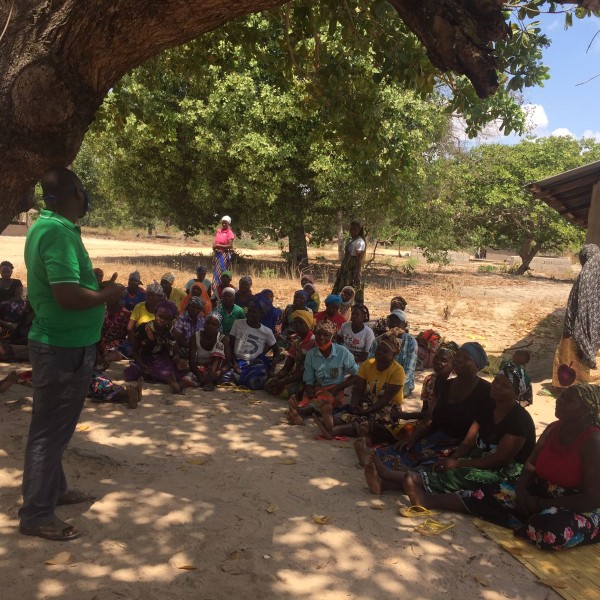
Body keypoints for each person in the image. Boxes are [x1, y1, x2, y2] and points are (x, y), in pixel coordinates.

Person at [19, 167, 125, 541]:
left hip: (65, 342)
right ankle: (36, 513)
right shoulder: (57, 233)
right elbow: (66, 295)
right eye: (82, 190)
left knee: (55, 429)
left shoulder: (47, 228)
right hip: (62, 347)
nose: (85, 196)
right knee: (48, 433)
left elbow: (66, 284)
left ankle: (55, 490)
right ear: (74, 193)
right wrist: (105, 296)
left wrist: (93, 287)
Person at [405, 384, 600, 552]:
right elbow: (531, 464)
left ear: (586, 410)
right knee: (492, 493)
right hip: (539, 493)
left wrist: (538, 503)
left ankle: (527, 518)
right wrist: (523, 491)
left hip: (576, 506)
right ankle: (429, 500)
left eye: (569, 401)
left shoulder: (592, 441)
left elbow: (591, 498)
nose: (560, 401)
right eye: (562, 397)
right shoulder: (553, 428)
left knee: (551, 527)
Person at [365, 364, 536, 496]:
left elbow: (500, 460)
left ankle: (392, 477)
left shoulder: (519, 421)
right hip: (480, 457)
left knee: (463, 475)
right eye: (496, 380)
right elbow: (469, 441)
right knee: (440, 464)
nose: (496, 386)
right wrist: (453, 458)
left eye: (504, 385)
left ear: (517, 393)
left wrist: (459, 463)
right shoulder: (488, 406)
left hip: (506, 472)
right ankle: (385, 484)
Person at [374, 342, 491, 470]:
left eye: (466, 359)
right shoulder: (446, 385)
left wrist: (454, 458)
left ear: (477, 367)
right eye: (458, 357)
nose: (459, 361)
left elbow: (472, 439)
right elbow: (429, 417)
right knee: (399, 449)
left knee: (429, 466)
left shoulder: (485, 391)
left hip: (460, 445)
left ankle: (394, 477)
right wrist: (412, 438)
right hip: (436, 436)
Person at [354, 344, 457, 466]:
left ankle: (372, 453)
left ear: (453, 365)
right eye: (436, 358)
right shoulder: (429, 380)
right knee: (399, 430)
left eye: (444, 360)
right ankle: (367, 441)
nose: (438, 362)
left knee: (410, 437)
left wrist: (405, 415)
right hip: (426, 422)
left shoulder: (454, 385)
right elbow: (425, 410)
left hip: (440, 426)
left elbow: (435, 415)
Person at [314, 332, 405, 440]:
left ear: (393, 355)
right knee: (351, 413)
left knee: (366, 420)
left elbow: (385, 400)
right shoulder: (368, 364)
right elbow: (358, 390)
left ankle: (333, 430)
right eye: (378, 349)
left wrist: (366, 411)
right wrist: (353, 405)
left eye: (385, 351)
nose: (380, 352)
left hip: (389, 407)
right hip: (369, 400)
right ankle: (329, 421)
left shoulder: (398, 371)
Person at [287, 320, 358, 425]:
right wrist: (310, 388)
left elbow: (357, 375)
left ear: (332, 337)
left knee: (324, 401)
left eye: (326, 334)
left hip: (335, 391)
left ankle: (298, 412)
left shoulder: (343, 353)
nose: (321, 337)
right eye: (318, 334)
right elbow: (309, 377)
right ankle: (300, 411)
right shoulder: (311, 354)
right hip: (318, 388)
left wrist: (338, 388)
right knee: (311, 399)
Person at [553, 244, 600, 388]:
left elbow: (577, 304)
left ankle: (568, 386)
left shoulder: (585, 274)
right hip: (597, 326)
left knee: (569, 356)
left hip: (576, 326)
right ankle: (593, 387)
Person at [124, 300, 188, 397]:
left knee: (179, 370)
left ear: (171, 320)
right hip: (144, 358)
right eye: (160, 316)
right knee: (132, 373)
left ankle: (162, 377)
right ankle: (164, 378)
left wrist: (176, 357)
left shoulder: (170, 330)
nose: (162, 320)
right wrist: (142, 365)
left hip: (162, 359)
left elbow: (174, 346)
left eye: (166, 319)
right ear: (155, 314)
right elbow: (135, 350)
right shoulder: (144, 328)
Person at [228, 300, 280, 390]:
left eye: (255, 313)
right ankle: (241, 377)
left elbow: (277, 351)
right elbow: (230, 346)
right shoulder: (238, 324)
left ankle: (243, 377)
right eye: (250, 312)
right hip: (237, 361)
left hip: (254, 362)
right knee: (223, 377)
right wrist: (234, 364)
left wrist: (272, 369)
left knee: (254, 380)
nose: (252, 315)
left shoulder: (266, 332)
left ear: (261, 315)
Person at [266, 310, 315, 400]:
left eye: (301, 322)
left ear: (309, 324)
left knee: (282, 392)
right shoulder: (297, 343)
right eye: (295, 322)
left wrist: (283, 382)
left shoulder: (314, 342)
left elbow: (305, 371)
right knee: (269, 383)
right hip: (296, 376)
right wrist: (277, 378)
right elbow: (287, 367)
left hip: (308, 379)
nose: (297, 325)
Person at [368, 310, 417, 397]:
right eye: (392, 321)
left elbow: (409, 371)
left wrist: (393, 383)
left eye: (398, 322)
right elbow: (370, 362)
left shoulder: (411, 342)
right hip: (380, 378)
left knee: (392, 394)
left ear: (405, 325)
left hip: (402, 381)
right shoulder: (378, 341)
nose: (395, 325)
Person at [182, 312, 232, 391]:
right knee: (184, 381)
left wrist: (214, 376)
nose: (209, 326)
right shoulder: (195, 336)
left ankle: (210, 381)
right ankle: (175, 385)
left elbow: (229, 363)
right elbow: (191, 362)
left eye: (213, 324)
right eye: (207, 322)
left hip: (215, 371)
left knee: (219, 345)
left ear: (218, 327)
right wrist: (199, 376)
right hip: (199, 368)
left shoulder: (223, 338)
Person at [331, 220, 366, 304]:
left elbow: (359, 259)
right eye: (351, 229)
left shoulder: (360, 242)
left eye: (355, 229)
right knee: (341, 286)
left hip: (353, 268)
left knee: (349, 288)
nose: (352, 231)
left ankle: (349, 308)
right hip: (346, 266)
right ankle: (338, 306)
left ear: (359, 230)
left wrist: (356, 274)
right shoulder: (351, 240)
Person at [213, 216, 235, 287]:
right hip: (217, 254)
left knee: (221, 272)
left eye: (226, 223)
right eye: (223, 223)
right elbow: (215, 242)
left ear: (228, 224)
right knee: (216, 271)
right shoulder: (218, 231)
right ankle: (215, 288)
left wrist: (218, 246)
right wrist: (214, 247)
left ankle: (221, 288)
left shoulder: (229, 233)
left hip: (224, 255)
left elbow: (230, 245)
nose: (224, 224)